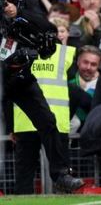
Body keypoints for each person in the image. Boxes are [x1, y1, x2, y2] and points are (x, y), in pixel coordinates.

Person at [1, 0, 83, 193]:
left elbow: (48, 28)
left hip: (18, 73)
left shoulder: (24, 3)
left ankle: (61, 175)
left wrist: (18, 12)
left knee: (48, 121)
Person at [12, 39, 77, 194]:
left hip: (25, 120)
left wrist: (10, 125)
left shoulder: (16, 51)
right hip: (55, 121)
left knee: (25, 174)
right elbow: (74, 88)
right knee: (62, 173)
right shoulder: (63, 52)